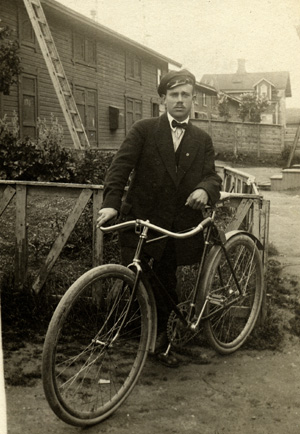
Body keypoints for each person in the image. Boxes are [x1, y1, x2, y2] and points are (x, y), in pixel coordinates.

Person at [97, 69, 222, 367]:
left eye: (186, 95)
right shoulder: (144, 129)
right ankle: (134, 335)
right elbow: (120, 167)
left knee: (166, 283)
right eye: (174, 95)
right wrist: (112, 203)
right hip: (143, 221)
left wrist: (205, 190)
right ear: (163, 99)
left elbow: (212, 177)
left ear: (193, 99)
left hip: (176, 226)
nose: (180, 100)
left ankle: (161, 342)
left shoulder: (201, 139)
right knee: (136, 280)